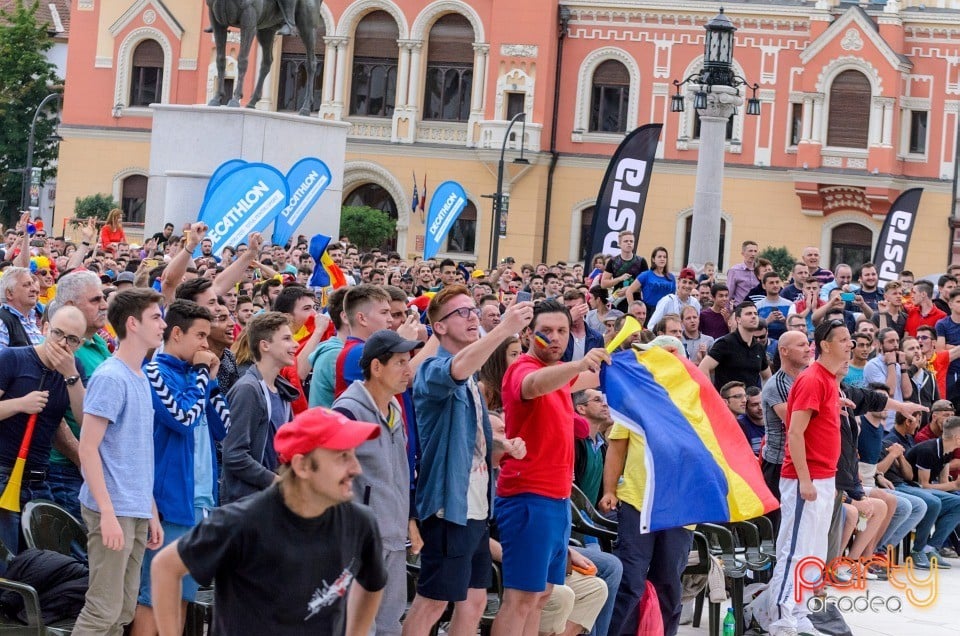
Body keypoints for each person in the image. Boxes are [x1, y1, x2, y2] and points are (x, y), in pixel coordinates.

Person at [150, 408, 387, 635]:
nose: (356, 468)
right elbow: (165, 567)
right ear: (302, 466)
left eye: (354, 455)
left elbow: (373, 584)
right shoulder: (242, 523)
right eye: (342, 456)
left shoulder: (360, 523)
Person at [404, 288, 533, 636]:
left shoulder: (473, 377)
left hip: (474, 506)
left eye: (473, 309)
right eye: (461, 313)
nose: (472, 316)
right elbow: (457, 369)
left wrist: (503, 444)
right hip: (448, 507)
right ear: (440, 328)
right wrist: (503, 329)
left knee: (474, 601)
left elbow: (470, 438)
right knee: (433, 601)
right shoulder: (433, 368)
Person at [492, 300, 609, 636]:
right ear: (529, 334)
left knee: (541, 595)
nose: (555, 338)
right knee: (521, 598)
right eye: (546, 332)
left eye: (562, 330)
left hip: (556, 500)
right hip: (529, 497)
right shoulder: (523, 369)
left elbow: (594, 374)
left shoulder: (561, 376)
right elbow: (535, 385)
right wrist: (578, 364)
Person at [132, 300, 230, 636]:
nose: (207, 344)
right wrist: (202, 374)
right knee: (154, 598)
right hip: (169, 502)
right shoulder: (155, 372)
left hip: (200, 503)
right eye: (200, 336)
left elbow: (224, 428)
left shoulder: (196, 377)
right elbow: (183, 419)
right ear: (176, 333)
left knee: (183, 595)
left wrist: (211, 379)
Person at [750, 319, 852, 636]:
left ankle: (800, 610)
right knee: (793, 550)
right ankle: (780, 618)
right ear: (825, 344)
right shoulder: (812, 379)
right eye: (844, 339)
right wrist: (805, 480)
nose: (850, 344)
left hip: (824, 478)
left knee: (813, 551)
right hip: (802, 480)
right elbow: (794, 433)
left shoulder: (829, 379)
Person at [74, 288, 166, 635]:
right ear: (133, 323)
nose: (163, 324)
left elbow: (138, 452)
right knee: (102, 611)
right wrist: (108, 513)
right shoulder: (111, 377)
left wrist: (151, 511)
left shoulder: (140, 376)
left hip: (135, 508)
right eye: (156, 317)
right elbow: (88, 448)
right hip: (110, 508)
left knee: (123, 610)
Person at [331, 330, 422, 635]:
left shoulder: (395, 407)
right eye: (400, 362)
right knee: (358, 626)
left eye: (408, 361)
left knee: (389, 623)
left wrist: (408, 520)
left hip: (393, 537)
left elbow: (398, 473)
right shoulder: (348, 410)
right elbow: (330, 478)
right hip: (358, 541)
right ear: (376, 367)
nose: (408, 370)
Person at [0, 305, 86, 555]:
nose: (62, 343)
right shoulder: (13, 358)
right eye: (58, 333)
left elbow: (84, 419)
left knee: (45, 560)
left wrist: (71, 376)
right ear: (44, 328)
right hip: (4, 473)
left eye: (71, 339)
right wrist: (20, 404)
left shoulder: (75, 369)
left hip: (40, 478)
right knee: (7, 565)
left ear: (79, 343)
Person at [47, 270, 112, 519]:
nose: (104, 305)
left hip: (94, 466)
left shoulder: (99, 343)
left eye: (103, 298)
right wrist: (82, 460)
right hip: (68, 470)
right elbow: (54, 417)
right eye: (95, 300)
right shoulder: (59, 351)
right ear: (71, 306)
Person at [221, 312, 299, 504]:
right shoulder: (248, 389)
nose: (295, 345)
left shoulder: (283, 391)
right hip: (248, 505)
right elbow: (234, 454)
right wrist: (275, 480)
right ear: (265, 345)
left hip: (273, 501)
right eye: (287, 339)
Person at [699, 302, 770, 389]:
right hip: (728, 400)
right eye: (748, 314)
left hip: (751, 401)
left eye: (755, 313)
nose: (753, 316)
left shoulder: (758, 347)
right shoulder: (725, 343)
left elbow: (767, 377)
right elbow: (703, 368)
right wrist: (712, 396)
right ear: (738, 319)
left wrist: (762, 397)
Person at [308, 287, 350, 408]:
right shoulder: (335, 355)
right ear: (346, 317)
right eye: (383, 312)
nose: (388, 319)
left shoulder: (340, 350)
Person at [600, 231, 648, 310]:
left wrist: (629, 289)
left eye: (631, 241)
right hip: (618, 301)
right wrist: (619, 279)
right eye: (626, 241)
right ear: (619, 244)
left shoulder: (641, 261)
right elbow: (603, 284)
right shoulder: (613, 261)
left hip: (636, 301)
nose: (629, 243)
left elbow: (646, 284)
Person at [0, 266, 43, 349]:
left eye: (33, 284)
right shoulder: (2, 321)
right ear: (9, 293)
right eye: (26, 285)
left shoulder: (32, 319)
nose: (34, 289)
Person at [625, 247, 672, 315]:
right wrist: (633, 311)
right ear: (653, 259)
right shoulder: (645, 275)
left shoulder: (671, 278)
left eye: (664, 257)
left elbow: (672, 298)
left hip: (665, 313)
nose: (662, 259)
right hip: (649, 312)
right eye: (659, 257)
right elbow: (629, 291)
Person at [562, 289, 604, 362]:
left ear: (585, 308)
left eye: (577, 308)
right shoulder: (560, 335)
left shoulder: (597, 337)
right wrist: (569, 319)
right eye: (569, 308)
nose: (574, 311)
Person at [726, 240, 760, 305]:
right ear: (743, 253)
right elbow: (729, 293)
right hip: (740, 308)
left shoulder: (760, 270)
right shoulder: (734, 270)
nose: (753, 254)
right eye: (750, 251)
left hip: (757, 309)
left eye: (755, 251)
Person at [737, 386, 765, 457]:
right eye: (754, 405)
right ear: (746, 407)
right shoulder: (740, 425)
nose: (760, 408)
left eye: (762, 403)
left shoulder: (776, 420)